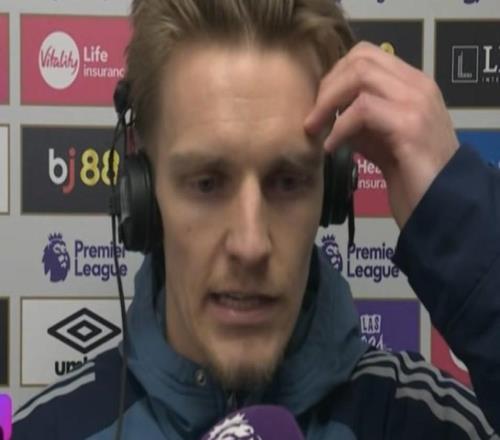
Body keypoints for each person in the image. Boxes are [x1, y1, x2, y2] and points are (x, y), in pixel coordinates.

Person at [13, 0, 500, 438]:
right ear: (141, 189)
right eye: (207, 183)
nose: (250, 245)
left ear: (332, 190)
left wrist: (461, 226)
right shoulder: (48, 431)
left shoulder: (431, 425)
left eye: (287, 182)